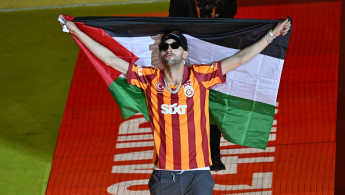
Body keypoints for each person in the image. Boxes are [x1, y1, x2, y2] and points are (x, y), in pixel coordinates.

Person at [59, 15, 290, 195]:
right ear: (160, 54)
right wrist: (76, 31)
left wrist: (271, 35)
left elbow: (240, 58)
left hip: (197, 177)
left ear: (185, 52)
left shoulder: (200, 76)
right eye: (165, 45)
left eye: (175, 45)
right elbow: (110, 59)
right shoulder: (149, 79)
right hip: (163, 179)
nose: (169, 48)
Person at [169, 0, 237, 171]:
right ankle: (189, 153)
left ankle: (213, 154)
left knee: (213, 107)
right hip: (191, 58)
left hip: (217, 54)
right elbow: (173, 23)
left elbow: (230, 16)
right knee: (190, 107)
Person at [169, 0, 237, 18]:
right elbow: (174, 20)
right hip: (189, 39)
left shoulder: (227, 2)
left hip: (219, 37)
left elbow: (229, 16)